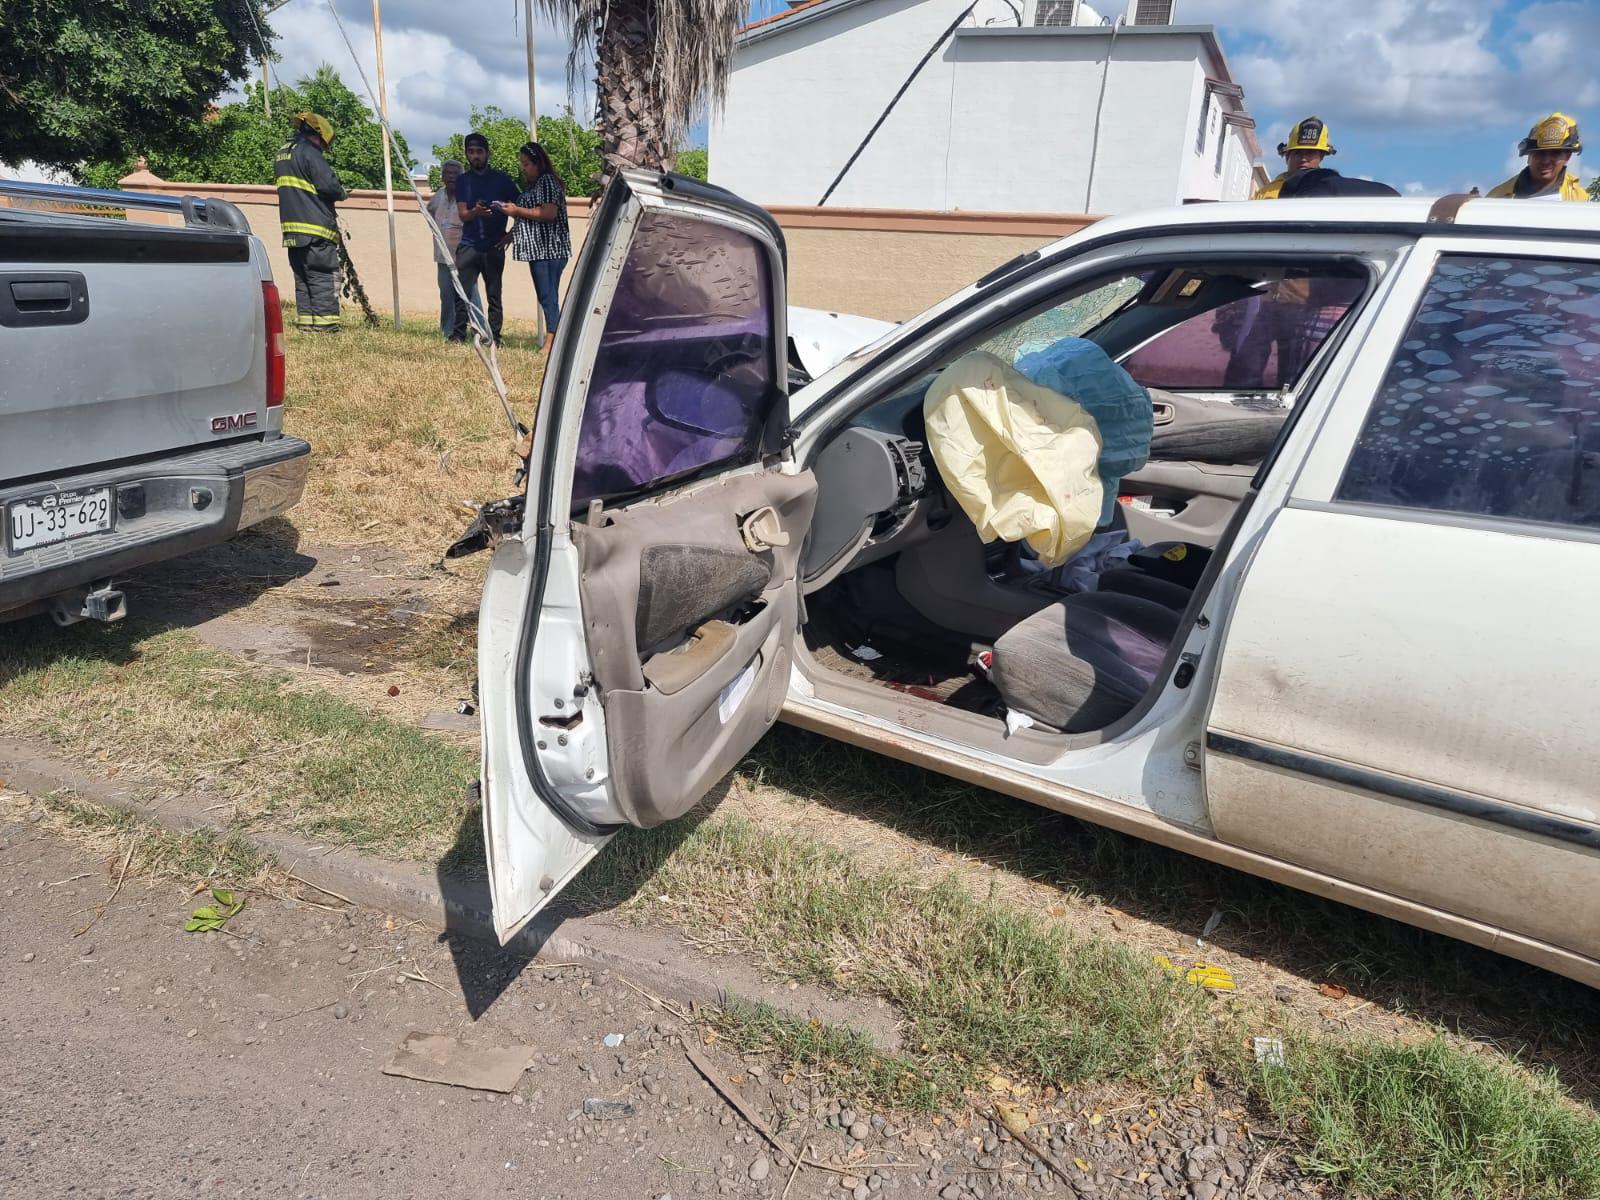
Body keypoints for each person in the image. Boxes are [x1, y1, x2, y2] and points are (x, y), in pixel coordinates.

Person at [275, 112, 347, 332]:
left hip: (292, 231)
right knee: (322, 277)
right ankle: (326, 328)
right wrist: (342, 192)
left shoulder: (282, 153)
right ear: (317, 134)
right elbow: (329, 186)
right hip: (316, 229)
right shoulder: (310, 154)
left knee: (303, 279)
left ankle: (307, 324)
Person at [497, 141, 571, 353]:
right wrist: (512, 234)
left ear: (539, 163)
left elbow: (548, 213)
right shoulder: (536, 185)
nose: (523, 167)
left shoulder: (547, 182)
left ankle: (552, 342)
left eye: (527, 163)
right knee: (546, 296)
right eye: (522, 163)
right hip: (538, 250)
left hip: (549, 249)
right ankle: (554, 339)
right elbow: (530, 216)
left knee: (549, 296)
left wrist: (516, 211)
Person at [451, 132, 518, 344]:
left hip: (494, 246)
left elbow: (521, 209)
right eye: (471, 152)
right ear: (466, 154)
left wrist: (510, 235)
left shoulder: (502, 180)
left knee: (494, 295)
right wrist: (476, 213)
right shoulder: (463, 181)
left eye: (479, 151)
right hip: (469, 245)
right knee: (462, 293)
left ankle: (495, 337)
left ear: (487, 153)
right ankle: (458, 335)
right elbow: (463, 214)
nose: (475, 156)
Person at [425, 159, 481, 336]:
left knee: (470, 295)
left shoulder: (468, 196)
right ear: (442, 177)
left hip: (464, 256)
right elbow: (429, 213)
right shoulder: (439, 196)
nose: (451, 177)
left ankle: (480, 330)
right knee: (446, 296)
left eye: (455, 174)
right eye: (447, 174)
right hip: (442, 256)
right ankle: (448, 330)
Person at [1487, 113, 1589, 200]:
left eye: (1555, 153)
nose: (1546, 160)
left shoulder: (1579, 199)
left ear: (1568, 156)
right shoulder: (1497, 197)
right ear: (1529, 156)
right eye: (1540, 153)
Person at [1253, 116, 1335, 199]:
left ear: (1321, 157)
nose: (1303, 158)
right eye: (1297, 152)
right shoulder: (1265, 195)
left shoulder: (1332, 191)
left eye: (1310, 153)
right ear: (1287, 156)